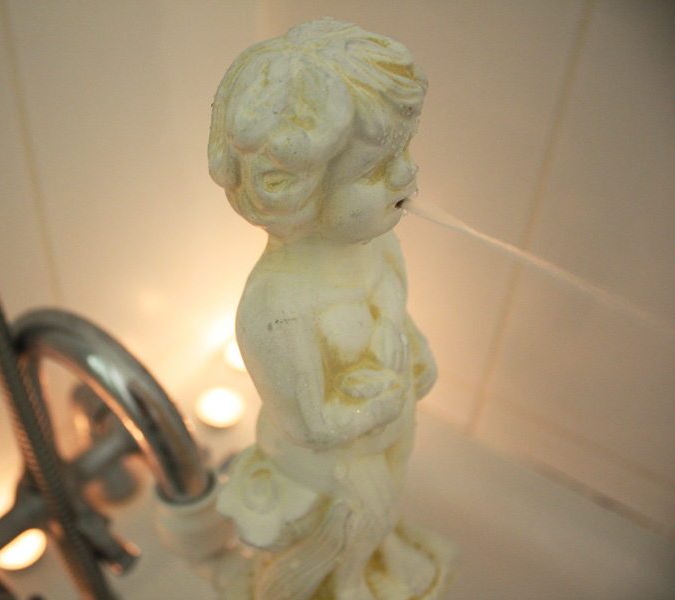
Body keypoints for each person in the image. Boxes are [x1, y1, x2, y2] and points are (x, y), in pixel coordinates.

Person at [209, 18, 456, 600]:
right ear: (296, 194)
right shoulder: (277, 308)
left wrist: (417, 354)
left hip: (386, 433)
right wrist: (380, 403)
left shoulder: (380, 247)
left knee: (386, 509)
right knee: (355, 525)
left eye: (403, 152)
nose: (407, 174)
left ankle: (377, 557)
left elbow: (398, 318)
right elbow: (310, 425)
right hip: (329, 476)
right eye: (375, 169)